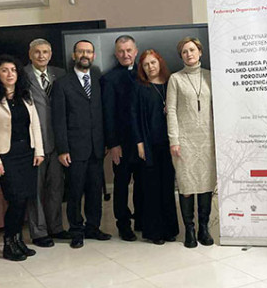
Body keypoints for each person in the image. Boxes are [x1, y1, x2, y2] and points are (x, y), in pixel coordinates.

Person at [0, 55, 44, 261]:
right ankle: (9, 242)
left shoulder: (26, 95)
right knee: (15, 199)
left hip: (27, 153)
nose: (10, 74)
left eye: (13, 70)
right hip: (6, 156)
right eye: (4, 70)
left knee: (25, 199)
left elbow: (35, 125)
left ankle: (18, 240)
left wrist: (39, 151)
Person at [51, 40, 111, 248]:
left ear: (93, 55)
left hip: (97, 147)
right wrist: (62, 149)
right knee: (75, 192)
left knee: (95, 190)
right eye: (81, 51)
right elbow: (58, 119)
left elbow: (103, 113)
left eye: (89, 51)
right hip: (74, 149)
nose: (85, 55)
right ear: (74, 55)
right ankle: (76, 230)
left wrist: (106, 142)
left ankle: (93, 227)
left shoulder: (99, 80)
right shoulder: (62, 84)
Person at [166, 37, 216, 248]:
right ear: (181, 56)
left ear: (200, 52)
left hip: (208, 140)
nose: (189, 54)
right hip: (184, 141)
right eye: (184, 51)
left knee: (206, 184)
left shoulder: (210, 76)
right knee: (186, 184)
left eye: (192, 50)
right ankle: (190, 229)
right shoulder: (175, 79)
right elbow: (171, 111)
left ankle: (204, 228)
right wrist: (174, 139)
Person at [23, 38, 69, 247]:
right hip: (34, 143)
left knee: (56, 188)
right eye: (37, 52)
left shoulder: (60, 74)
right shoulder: (22, 75)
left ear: (50, 54)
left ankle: (56, 227)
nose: (41, 56)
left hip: (58, 142)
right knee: (36, 190)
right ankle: (39, 231)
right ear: (30, 54)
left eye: (45, 52)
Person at [131, 49, 180, 244]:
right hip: (149, 145)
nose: (150, 67)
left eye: (153, 63)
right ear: (142, 68)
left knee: (167, 187)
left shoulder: (170, 84)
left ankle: (170, 230)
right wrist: (139, 143)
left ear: (160, 63)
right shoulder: (139, 87)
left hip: (169, 144)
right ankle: (155, 232)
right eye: (146, 65)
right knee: (152, 189)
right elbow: (133, 116)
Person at [101, 35, 143, 241]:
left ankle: (142, 219)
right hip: (122, 143)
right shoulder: (109, 79)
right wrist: (113, 144)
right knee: (121, 185)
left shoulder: (145, 73)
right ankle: (123, 224)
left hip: (143, 142)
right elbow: (108, 114)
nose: (126, 54)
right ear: (116, 54)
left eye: (129, 50)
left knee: (143, 183)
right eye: (121, 51)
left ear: (136, 51)